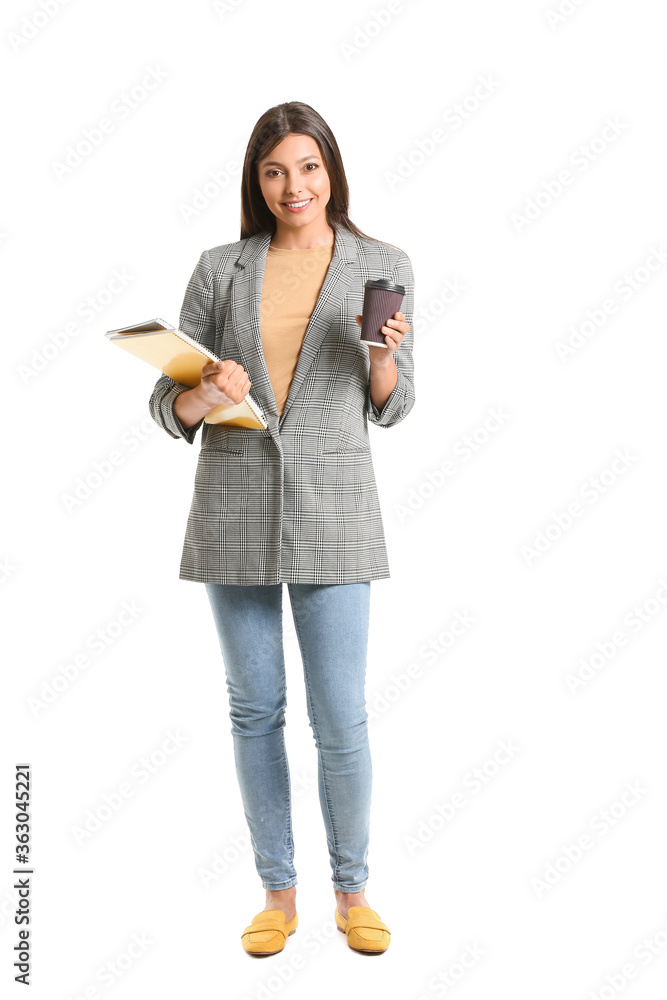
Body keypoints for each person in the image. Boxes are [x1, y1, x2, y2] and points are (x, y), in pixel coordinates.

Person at [148, 101, 415, 956]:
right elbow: (169, 402)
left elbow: (396, 404)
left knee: (340, 714)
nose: (291, 186)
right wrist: (206, 392)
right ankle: (276, 892)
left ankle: (352, 891)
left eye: (306, 166)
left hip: (336, 511)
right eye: (273, 171)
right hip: (234, 508)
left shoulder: (381, 263)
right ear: (255, 182)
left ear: (330, 169)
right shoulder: (221, 268)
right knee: (254, 709)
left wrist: (383, 357)